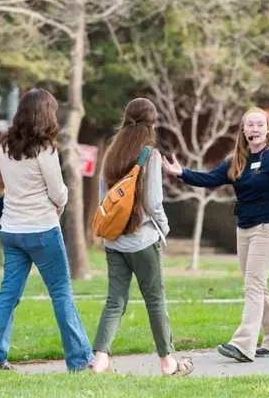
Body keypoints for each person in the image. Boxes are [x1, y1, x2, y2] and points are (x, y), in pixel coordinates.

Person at [162, 107, 269, 363]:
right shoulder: (236, 160)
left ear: (267, 129)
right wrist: (181, 173)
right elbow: (210, 179)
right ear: (243, 130)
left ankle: (243, 344)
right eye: (249, 125)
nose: (254, 129)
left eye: (259, 124)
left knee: (253, 285)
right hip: (244, 229)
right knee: (258, 286)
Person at [0, 88, 93, 372]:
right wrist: (61, 202)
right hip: (42, 230)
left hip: (12, 231)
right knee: (61, 293)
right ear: (45, 115)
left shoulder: (5, 146)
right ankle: (79, 360)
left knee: (8, 294)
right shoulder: (45, 149)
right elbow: (57, 191)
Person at [92, 98, 193, 376]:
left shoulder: (111, 152)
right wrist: (164, 229)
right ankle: (168, 363)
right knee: (155, 300)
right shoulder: (150, 155)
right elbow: (153, 201)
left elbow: (105, 198)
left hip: (114, 241)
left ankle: (100, 359)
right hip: (142, 240)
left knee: (115, 300)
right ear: (152, 123)